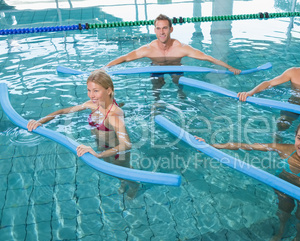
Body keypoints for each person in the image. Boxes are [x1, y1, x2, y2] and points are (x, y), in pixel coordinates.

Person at [27, 70, 139, 198]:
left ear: (108, 90)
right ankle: (125, 180)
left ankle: (135, 186)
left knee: (121, 174)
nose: (91, 95)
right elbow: (64, 111)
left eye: (96, 91)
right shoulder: (92, 104)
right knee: (117, 173)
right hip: (103, 147)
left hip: (117, 154)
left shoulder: (114, 115)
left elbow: (127, 144)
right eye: (89, 90)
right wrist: (39, 121)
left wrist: (98, 155)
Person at [105, 14, 241, 100]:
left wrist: (230, 68)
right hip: (157, 67)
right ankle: (156, 102)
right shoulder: (149, 49)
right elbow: (124, 58)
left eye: (164, 28)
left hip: (176, 67)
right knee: (156, 84)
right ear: (155, 30)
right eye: (158, 28)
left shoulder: (181, 48)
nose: (161, 32)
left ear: (171, 29)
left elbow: (207, 58)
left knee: (179, 81)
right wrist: (104, 68)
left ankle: (181, 96)